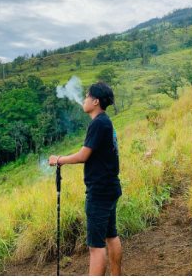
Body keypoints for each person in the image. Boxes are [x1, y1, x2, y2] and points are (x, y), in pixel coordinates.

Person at [49, 82, 121, 276]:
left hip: (99, 190)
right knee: (111, 235)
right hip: (110, 186)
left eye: (87, 96)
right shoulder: (106, 121)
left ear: (95, 101)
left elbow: (83, 155)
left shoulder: (97, 123)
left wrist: (59, 160)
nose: (84, 99)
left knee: (96, 247)